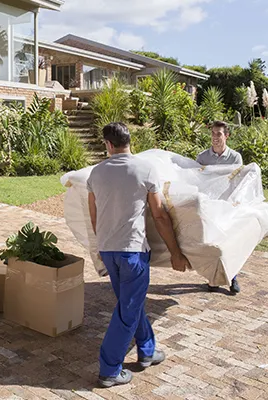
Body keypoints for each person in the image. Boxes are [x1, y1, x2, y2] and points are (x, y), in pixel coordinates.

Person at [87, 122, 191, 388]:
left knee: (130, 304)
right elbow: (159, 215)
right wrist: (175, 252)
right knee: (128, 311)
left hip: (109, 249)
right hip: (132, 251)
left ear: (108, 145)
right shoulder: (145, 169)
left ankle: (146, 350)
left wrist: (100, 246)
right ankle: (109, 369)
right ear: (129, 141)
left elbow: (94, 215)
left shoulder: (96, 173)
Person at [196, 120, 243, 294]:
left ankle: (233, 278)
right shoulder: (202, 158)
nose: (215, 137)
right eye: (213, 133)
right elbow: (197, 180)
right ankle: (213, 279)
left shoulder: (235, 158)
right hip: (209, 206)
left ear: (226, 136)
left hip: (227, 206)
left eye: (219, 134)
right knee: (212, 244)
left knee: (228, 242)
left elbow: (237, 182)